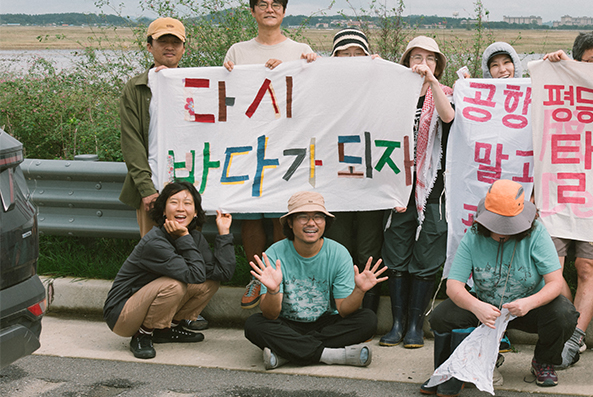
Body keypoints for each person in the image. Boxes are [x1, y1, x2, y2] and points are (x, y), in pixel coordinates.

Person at [423, 179, 578, 397]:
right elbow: (453, 285)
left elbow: (555, 282)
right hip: (486, 308)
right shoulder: (474, 235)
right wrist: (476, 306)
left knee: (564, 313)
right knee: (442, 317)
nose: (502, 231)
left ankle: (543, 361)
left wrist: (529, 303)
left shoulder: (537, 233)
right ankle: (466, 362)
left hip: (526, 307)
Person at [226, 0, 319, 311]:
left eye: (275, 4)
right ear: (252, 11)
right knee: (251, 218)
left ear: (284, 11)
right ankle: (256, 276)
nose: (269, 9)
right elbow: (229, 97)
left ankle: (281, 277)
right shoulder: (238, 51)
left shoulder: (299, 50)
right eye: (262, 4)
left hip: (287, 146)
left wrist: (308, 65)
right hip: (249, 146)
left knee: (283, 216)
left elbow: (313, 93)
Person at [243, 191, 387, 370]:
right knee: (253, 325)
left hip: (325, 324)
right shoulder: (274, 253)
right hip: (287, 324)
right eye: (303, 217)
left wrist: (359, 291)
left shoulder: (339, 253)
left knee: (368, 319)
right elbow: (270, 315)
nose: (311, 223)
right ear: (290, 222)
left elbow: (344, 310)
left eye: (318, 217)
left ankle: (286, 353)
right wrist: (273, 291)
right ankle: (332, 355)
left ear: (326, 222)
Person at [542, 30, 593, 368]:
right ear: (578, 62)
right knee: (551, 269)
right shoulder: (561, 86)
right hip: (559, 191)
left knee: (588, 267)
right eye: (591, 61)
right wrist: (554, 67)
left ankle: (575, 338)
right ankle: (568, 325)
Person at [379, 36, 455, 348]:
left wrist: (433, 84)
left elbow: (448, 117)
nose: (422, 63)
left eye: (430, 58)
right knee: (396, 251)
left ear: (437, 65)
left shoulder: (446, 94)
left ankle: (415, 325)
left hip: (432, 187)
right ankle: (397, 324)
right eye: (416, 57)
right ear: (406, 62)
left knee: (428, 251)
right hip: (397, 183)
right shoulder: (392, 95)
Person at [104, 181, 234, 359]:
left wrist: (224, 232)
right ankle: (142, 335)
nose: (181, 208)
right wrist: (183, 237)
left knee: (209, 283)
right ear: (164, 210)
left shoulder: (194, 237)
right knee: (175, 285)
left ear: (195, 212)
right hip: (122, 314)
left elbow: (223, 273)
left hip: (146, 303)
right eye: (174, 202)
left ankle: (167, 330)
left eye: (187, 203)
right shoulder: (155, 242)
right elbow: (194, 274)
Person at [325, 29, 386, 318]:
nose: (351, 60)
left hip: (370, 184)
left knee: (368, 251)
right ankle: (338, 310)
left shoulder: (380, 84)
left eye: (357, 53)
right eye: (343, 54)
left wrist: (382, 71)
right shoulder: (322, 86)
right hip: (335, 184)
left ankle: (367, 312)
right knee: (339, 249)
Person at [119, 18, 187, 238]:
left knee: (187, 249)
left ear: (183, 48)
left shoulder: (196, 84)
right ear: (150, 46)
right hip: (153, 185)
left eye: (175, 42)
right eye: (162, 41)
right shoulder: (137, 87)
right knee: (152, 252)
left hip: (187, 186)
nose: (169, 47)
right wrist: (146, 189)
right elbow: (131, 141)